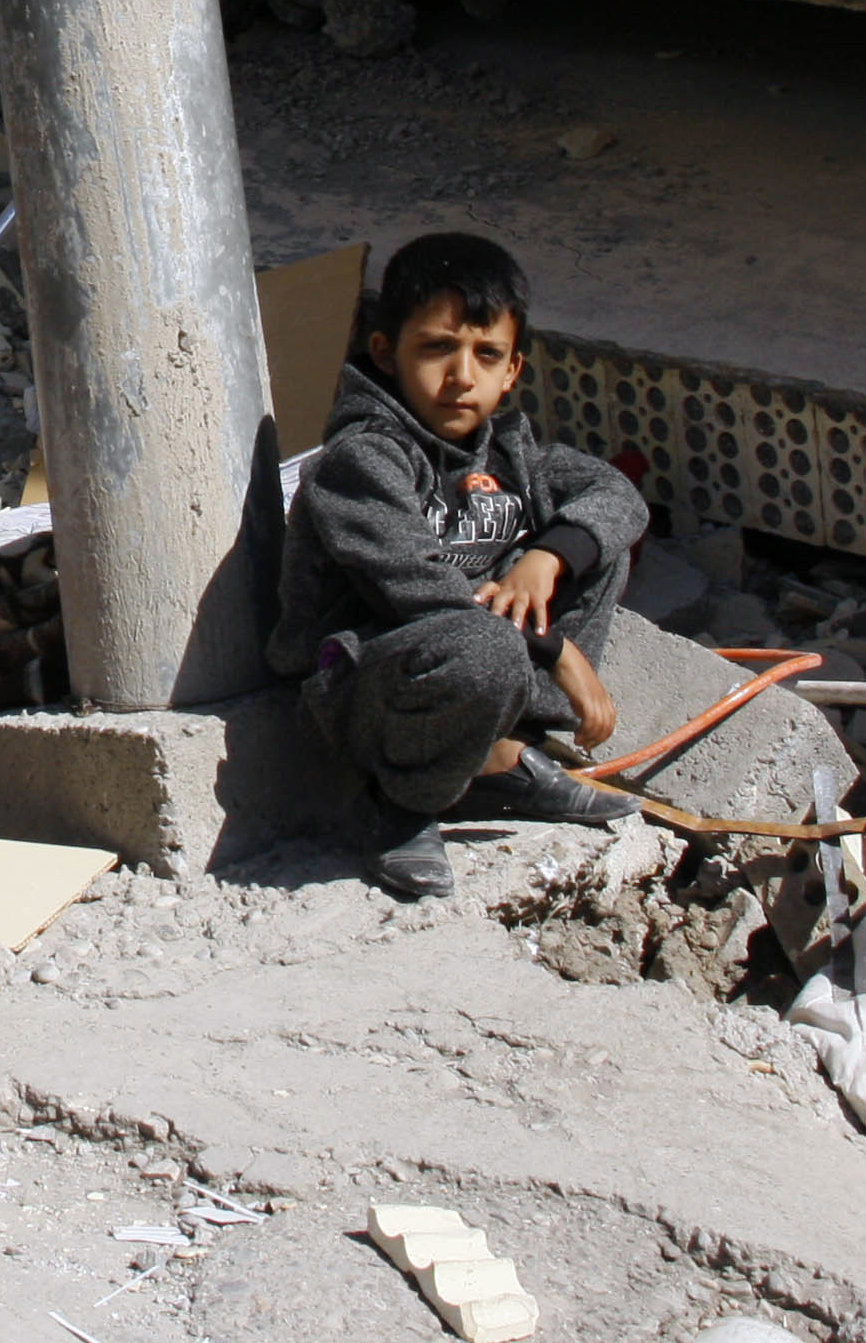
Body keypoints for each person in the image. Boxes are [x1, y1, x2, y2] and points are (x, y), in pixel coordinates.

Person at [267, 232, 645, 899]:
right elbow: (423, 592)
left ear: (512, 371)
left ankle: (494, 758)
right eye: (437, 348)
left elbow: (618, 495)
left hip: (476, 658)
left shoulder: (510, 453)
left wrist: (545, 557)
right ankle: (401, 803)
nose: (461, 375)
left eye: (485, 354)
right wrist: (556, 651)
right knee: (482, 644)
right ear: (385, 353)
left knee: (589, 548)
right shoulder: (362, 460)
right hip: (364, 690)